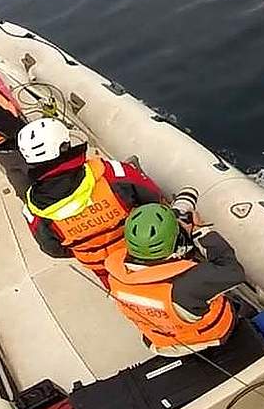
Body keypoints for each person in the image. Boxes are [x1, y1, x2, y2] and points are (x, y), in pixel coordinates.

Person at [20, 118, 164, 282]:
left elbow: (52, 249)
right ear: (65, 146)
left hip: (106, 271)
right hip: (147, 252)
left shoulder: (32, 211)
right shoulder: (113, 173)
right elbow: (154, 198)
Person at [104, 203, 245, 355]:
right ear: (175, 240)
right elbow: (233, 271)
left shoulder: (115, 277)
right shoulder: (189, 283)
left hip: (161, 343)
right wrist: (200, 231)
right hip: (207, 338)